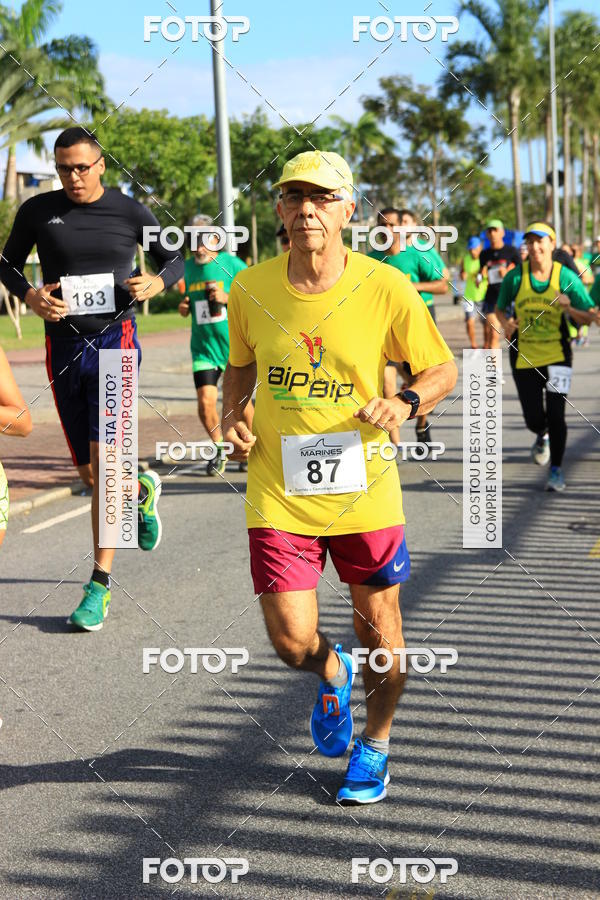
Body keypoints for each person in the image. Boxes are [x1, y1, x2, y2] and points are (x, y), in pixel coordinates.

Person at [222, 150, 457, 805]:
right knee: (291, 639)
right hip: (279, 487)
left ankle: (374, 747)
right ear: (278, 211)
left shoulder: (386, 285)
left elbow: (441, 369)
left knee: (381, 629)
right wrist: (230, 414)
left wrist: (406, 401)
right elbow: (239, 366)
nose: (307, 209)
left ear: (348, 210)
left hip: (365, 488)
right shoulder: (250, 287)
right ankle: (331, 671)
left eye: (322, 198)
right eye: (294, 197)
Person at [0, 126, 184, 631]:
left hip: (115, 342)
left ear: (101, 164)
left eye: (82, 167)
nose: (73, 177)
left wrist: (156, 282)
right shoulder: (37, 210)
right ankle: (140, 489)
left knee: (106, 467)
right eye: (64, 168)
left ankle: (98, 586)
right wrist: (31, 296)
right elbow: (6, 264)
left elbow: (176, 258)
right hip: (62, 347)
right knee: (89, 475)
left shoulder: (129, 210)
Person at [496, 222, 596, 491]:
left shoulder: (565, 278)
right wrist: (506, 324)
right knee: (533, 418)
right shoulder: (515, 277)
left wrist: (569, 308)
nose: (536, 247)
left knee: (557, 414)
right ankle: (541, 435)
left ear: (552, 244)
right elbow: (499, 309)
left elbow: (590, 316)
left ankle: (556, 471)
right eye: (530, 242)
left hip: (558, 357)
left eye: (541, 241)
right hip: (524, 358)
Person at [368, 207, 449, 448]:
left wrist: (414, 288)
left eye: (394, 225)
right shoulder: (372, 258)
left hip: (417, 322)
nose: (389, 229)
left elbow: (443, 286)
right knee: (386, 381)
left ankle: (422, 422)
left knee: (421, 381)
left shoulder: (418, 254)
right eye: (384, 225)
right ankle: (393, 445)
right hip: (385, 326)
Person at [178, 215, 247, 475]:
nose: (199, 246)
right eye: (193, 239)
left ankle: (250, 447)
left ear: (216, 239)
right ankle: (220, 450)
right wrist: (184, 307)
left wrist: (228, 297)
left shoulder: (233, 264)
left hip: (234, 348)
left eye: (204, 239)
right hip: (203, 349)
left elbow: (254, 299)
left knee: (242, 407)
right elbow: (187, 304)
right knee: (205, 402)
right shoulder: (185, 268)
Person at [479, 219, 521, 351]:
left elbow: (522, 271)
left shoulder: (512, 251)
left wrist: (508, 272)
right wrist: (480, 276)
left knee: (511, 335)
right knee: (493, 334)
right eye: (489, 230)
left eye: (495, 230)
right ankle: (494, 371)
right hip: (492, 297)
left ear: (502, 232)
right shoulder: (484, 254)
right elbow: (481, 273)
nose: (492, 233)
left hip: (509, 297)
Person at [461, 236, 487, 349]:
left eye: (474, 249)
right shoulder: (465, 259)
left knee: (486, 323)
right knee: (469, 322)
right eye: (470, 249)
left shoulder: (485, 259)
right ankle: (473, 345)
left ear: (480, 248)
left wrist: (479, 276)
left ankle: (486, 344)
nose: (472, 252)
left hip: (483, 295)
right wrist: (462, 275)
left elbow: (485, 274)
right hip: (469, 296)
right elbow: (462, 273)